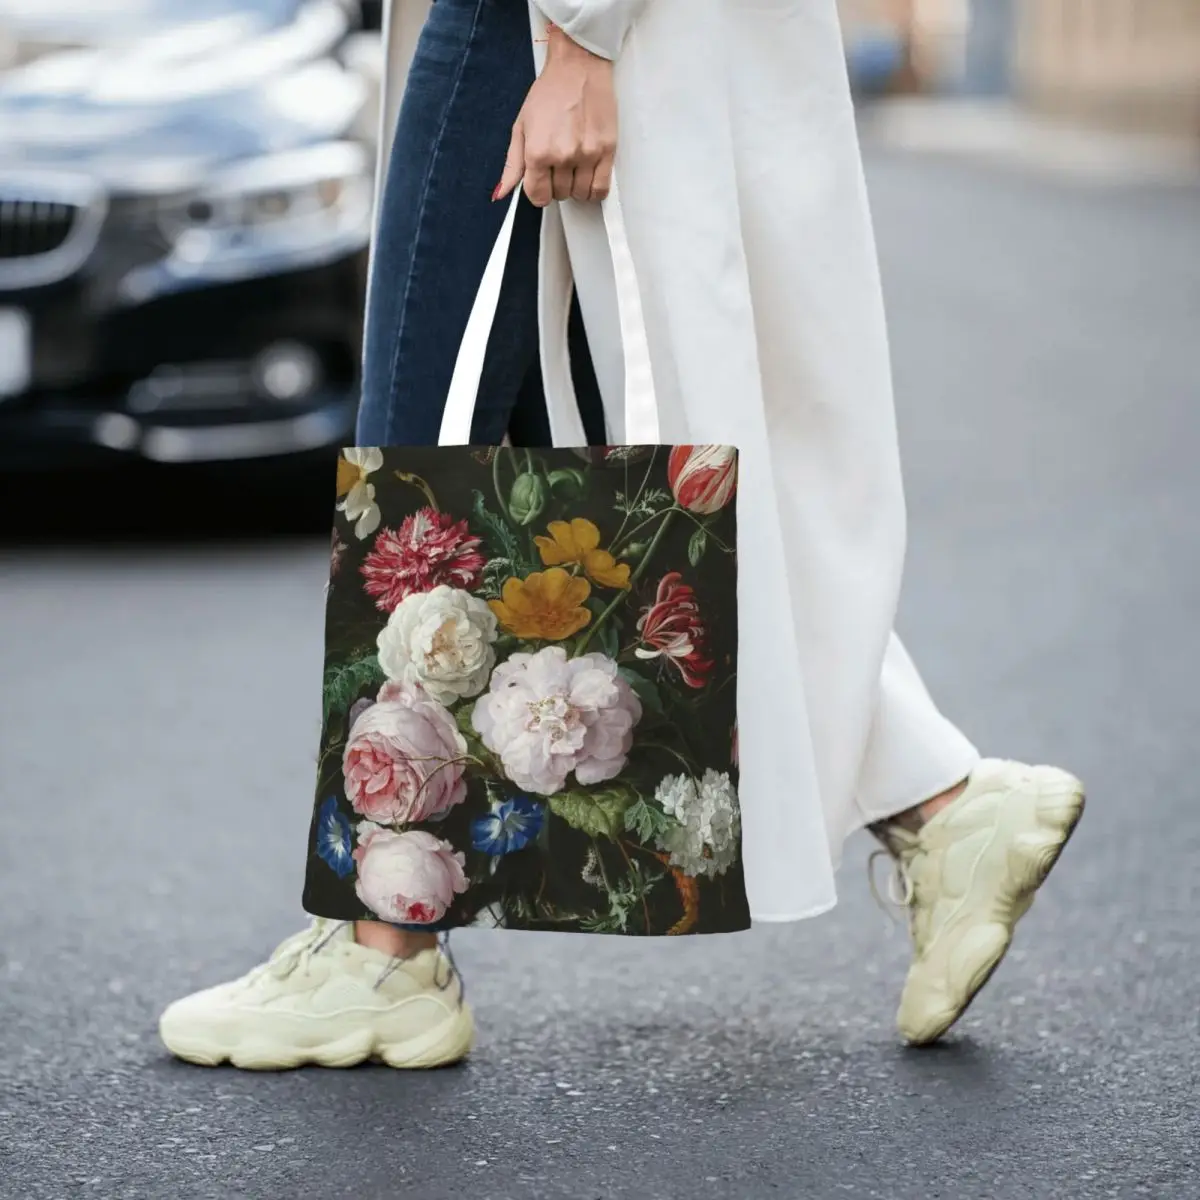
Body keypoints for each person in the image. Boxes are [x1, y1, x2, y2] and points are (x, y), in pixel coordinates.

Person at [159, 0, 1084, 1069]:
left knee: (428, 433)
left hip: (540, 23)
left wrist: (583, 36)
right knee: (588, 420)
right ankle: (942, 804)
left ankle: (382, 946)